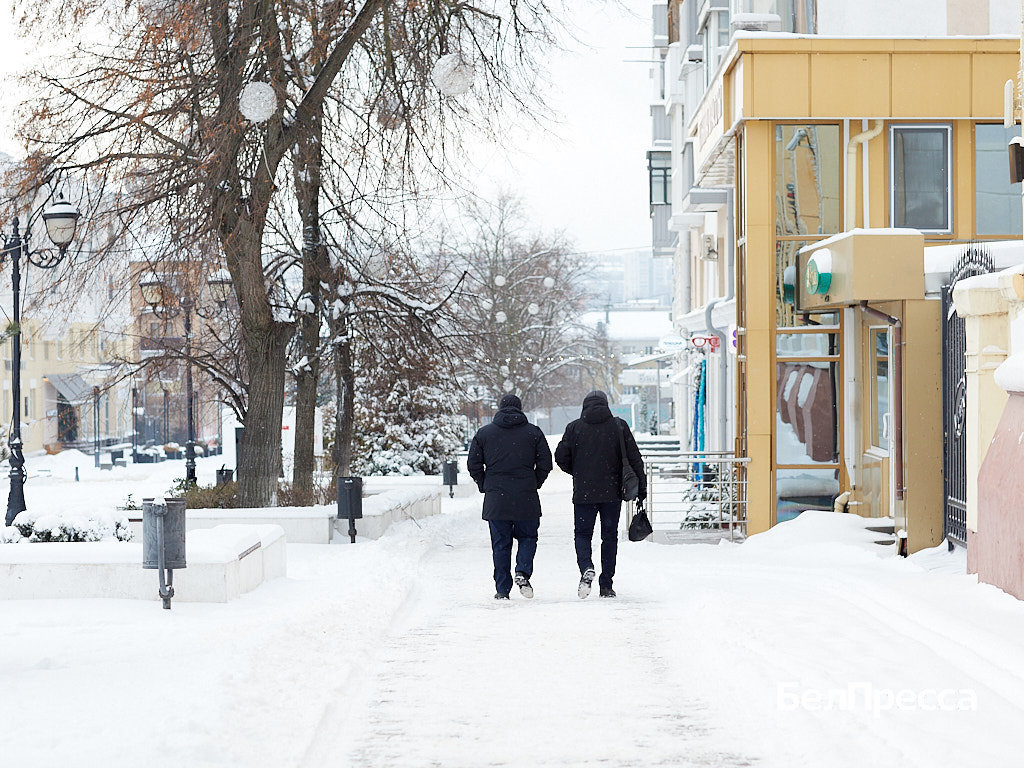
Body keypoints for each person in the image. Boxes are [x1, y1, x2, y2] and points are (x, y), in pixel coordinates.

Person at [555, 390, 646, 599]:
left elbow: (560, 456)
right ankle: (606, 585)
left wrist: (577, 471)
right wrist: (642, 489)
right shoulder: (618, 426)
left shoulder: (574, 428)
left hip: (584, 492)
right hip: (612, 493)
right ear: (606, 405)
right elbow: (635, 458)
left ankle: (586, 566)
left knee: (582, 534)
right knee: (609, 537)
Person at [468, 394, 553, 600]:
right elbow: (545, 463)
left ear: (499, 409)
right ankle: (522, 571)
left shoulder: (484, 433)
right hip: (526, 496)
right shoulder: (533, 433)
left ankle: (502, 589)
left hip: (497, 499)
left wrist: (485, 485)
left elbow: (473, 464)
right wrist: (534, 482)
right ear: (520, 409)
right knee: (528, 537)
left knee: (500, 543)